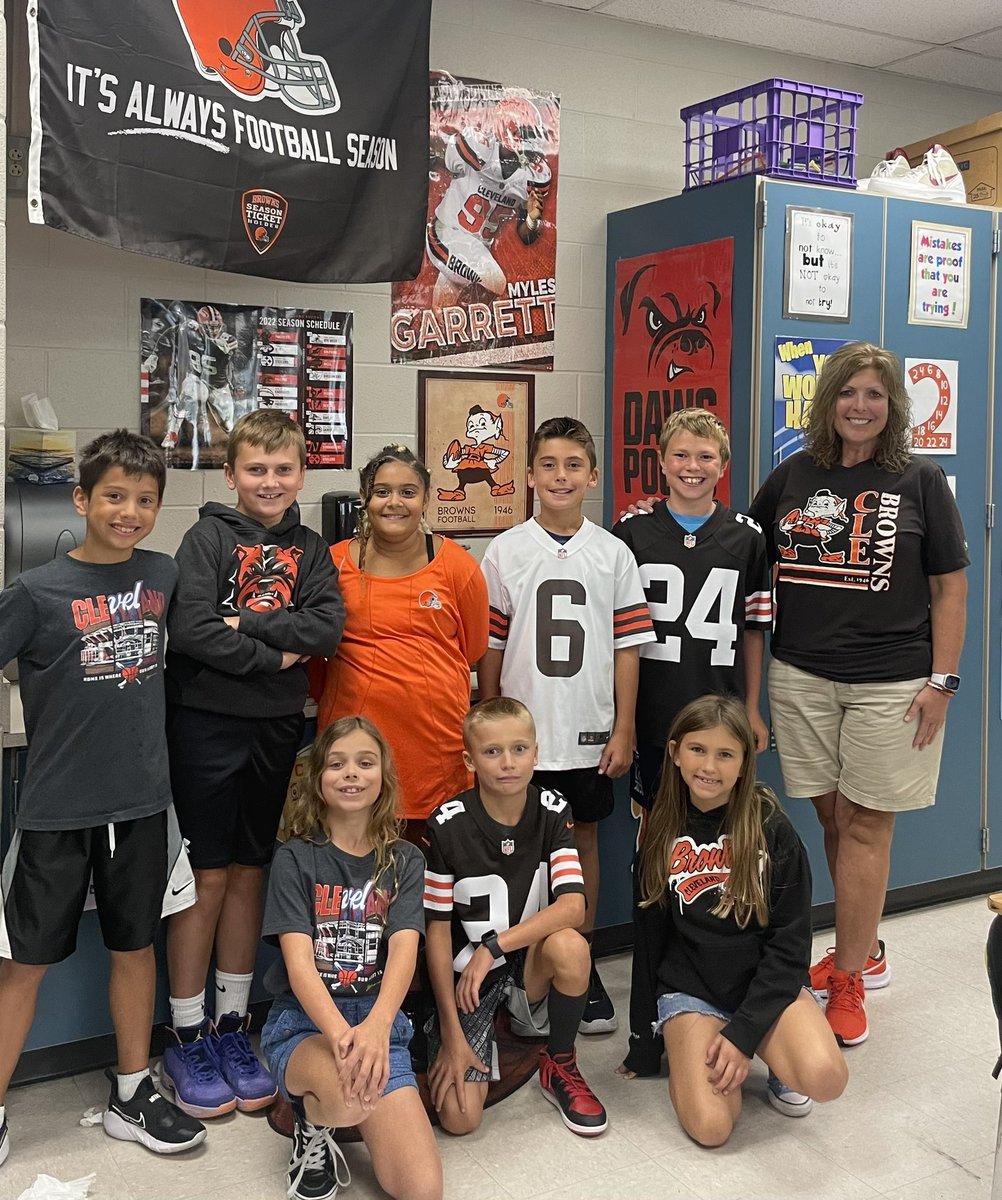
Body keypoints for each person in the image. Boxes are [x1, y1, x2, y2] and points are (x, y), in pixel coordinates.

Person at [748, 342, 968, 1046]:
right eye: (849, 393)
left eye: (876, 394)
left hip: (894, 682)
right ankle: (863, 947)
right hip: (801, 676)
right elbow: (745, 552)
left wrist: (943, 680)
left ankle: (847, 978)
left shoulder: (920, 480)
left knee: (869, 826)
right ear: (829, 401)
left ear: (893, 406)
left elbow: (949, 587)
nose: (861, 406)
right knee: (835, 821)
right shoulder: (793, 475)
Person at [0, 430, 205, 1164]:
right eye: (114, 496)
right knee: (24, 962)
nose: (129, 511)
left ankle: (129, 1093)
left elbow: (197, 644)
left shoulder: (161, 575)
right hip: (56, 809)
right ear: (82, 499)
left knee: (134, 947)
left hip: (142, 805)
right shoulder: (35, 590)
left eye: (145, 500)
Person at [163, 410, 345, 1118]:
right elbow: (193, 629)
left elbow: (326, 628)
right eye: (256, 469)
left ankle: (234, 1025)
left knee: (251, 872)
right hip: (206, 726)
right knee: (205, 877)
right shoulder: (206, 537)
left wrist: (246, 625)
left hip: (275, 728)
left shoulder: (313, 549)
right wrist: (274, 652)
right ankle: (186, 1030)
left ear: (302, 473)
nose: (270, 482)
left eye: (283, 469)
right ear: (232, 474)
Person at [479, 417, 655, 1035]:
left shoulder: (613, 553)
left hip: (588, 730)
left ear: (593, 475)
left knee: (581, 846)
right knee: (520, 848)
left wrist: (624, 726)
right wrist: (486, 718)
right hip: (521, 738)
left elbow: (629, 647)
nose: (560, 476)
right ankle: (523, 962)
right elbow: (492, 647)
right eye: (548, 465)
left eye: (574, 465)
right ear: (529, 475)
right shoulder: (505, 549)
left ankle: (580, 959)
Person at [612, 407, 773, 1077]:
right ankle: (653, 1008)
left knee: (723, 853)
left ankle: (722, 984)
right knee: (657, 858)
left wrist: (755, 707)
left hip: (720, 724)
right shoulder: (630, 531)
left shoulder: (747, 536)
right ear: (662, 459)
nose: (692, 466)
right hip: (655, 724)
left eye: (706, 456)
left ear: (723, 465)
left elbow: (756, 630)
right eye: (681, 454)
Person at [638, 696, 847, 1146]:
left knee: (826, 1077)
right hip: (692, 989)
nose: (709, 766)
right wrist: (643, 1041)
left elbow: (790, 946)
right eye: (697, 750)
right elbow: (650, 935)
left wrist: (745, 1033)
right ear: (674, 752)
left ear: (744, 762)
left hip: (761, 984)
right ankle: (697, 1047)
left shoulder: (771, 827)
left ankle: (776, 1059)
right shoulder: (661, 825)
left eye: (725, 754)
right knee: (712, 1129)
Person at [260, 716, 441, 1200]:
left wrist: (378, 1029)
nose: (351, 774)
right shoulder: (294, 859)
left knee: (422, 1191)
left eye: (365, 762)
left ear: (384, 777)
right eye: (336, 764)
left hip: (379, 1023)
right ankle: (310, 1123)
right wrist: (343, 1037)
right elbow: (299, 967)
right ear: (317, 780)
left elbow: (405, 951)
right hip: (308, 1024)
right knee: (346, 1101)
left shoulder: (404, 859)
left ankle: (347, 1099)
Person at [423, 697, 607, 1139]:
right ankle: (462, 1034)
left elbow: (573, 907)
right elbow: (436, 933)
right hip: (472, 981)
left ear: (537, 752)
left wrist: (495, 946)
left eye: (520, 749)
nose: (508, 763)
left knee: (571, 946)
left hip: (528, 966)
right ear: (470, 759)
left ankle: (559, 1061)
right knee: (460, 1118)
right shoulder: (446, 824)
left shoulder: (552, 809)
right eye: (492, 752)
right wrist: (452, 1032)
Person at [313, 444, 489, 831]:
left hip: (434, 748)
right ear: (365, 498)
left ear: (426, 499)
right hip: (352, 744)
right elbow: (314, 649)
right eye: (382, 492)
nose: (395, 503)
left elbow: (474, 648)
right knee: (356, 870)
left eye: (408, 492)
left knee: (430, 874)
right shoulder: (332, 563)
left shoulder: (458, 566)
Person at [428, 95, 551, 311]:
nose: (533, 142)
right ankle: (474, 324)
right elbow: (441, 153)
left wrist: (533, 219)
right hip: (447, 234)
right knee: (495, 281)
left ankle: (456, 334)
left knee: (441, 312)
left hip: (477, 250)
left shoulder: (530, 177)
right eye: (527, 133)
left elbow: (527, 236)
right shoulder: (478, 147)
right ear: (508, 130)